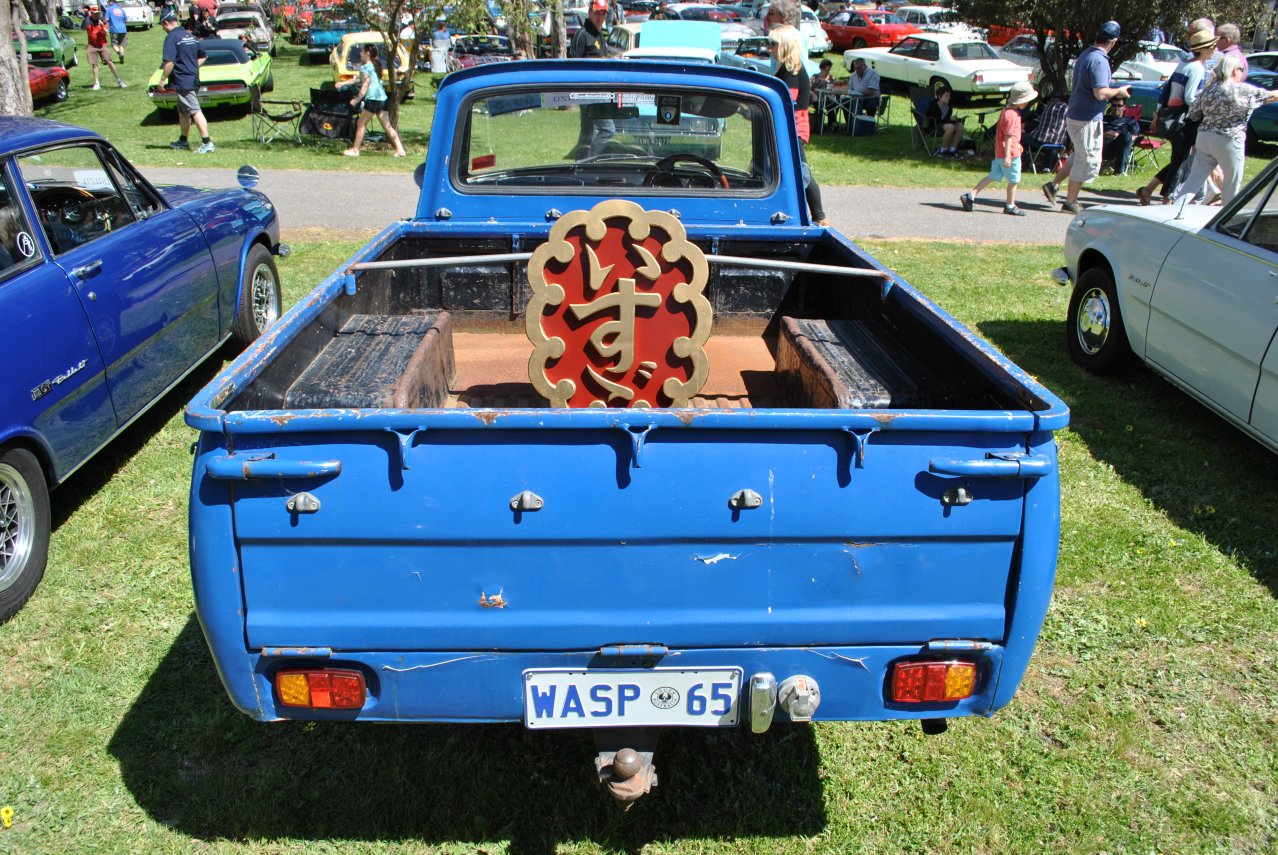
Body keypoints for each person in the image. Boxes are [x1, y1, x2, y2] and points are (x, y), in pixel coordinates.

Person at [1042, 21, 1130, 214]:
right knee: (1086, 160)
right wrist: (1119, 91)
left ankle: (1053, 185)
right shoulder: (1099, 60)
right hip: (1087, 118)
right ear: (1113, 41)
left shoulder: (1086, 54)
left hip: (1076, 114)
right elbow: (1100, 93)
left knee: (1077, 156)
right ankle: (1070, 202)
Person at [1175, 54, 1278, 205]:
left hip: (1204, 137)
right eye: (1242, 70)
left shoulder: (1208, 89)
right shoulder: (1241, 89)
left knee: (1193, 181)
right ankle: (1224, 219)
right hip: (1229, 138)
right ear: (1235, 70)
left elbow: (1194, 114)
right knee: (1231, 182)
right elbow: (1271, 96)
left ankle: (1177, 209)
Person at [1136, 28, 1215, 205]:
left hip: (1172, 120)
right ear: (1203, 49)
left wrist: (1158, 112)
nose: (1215, 49)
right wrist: (1206, 106)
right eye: (1212, 46)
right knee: (1180, 162)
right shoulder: (1197, 68)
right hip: (1184, 122)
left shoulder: (1184, 64)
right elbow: (1189, 97)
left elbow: (1166, 89)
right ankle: (1167, 200)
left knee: (1179, 159)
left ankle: (1148, 190)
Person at [771, 25, 828, 226]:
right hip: (789, 127)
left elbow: (788, 102)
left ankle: (820, 216)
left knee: (801, 171)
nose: (771, 49)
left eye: (774, 44)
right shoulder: (787, 69)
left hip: (794, 128)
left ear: (785, 45)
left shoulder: (791, 71)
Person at [960, 80, 1037, 217]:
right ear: (1021, 100)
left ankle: (970, 195)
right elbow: (1008, 136)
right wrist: (1008, 155)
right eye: (1027, 100)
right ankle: (1010, 205)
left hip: (999, 152)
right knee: (1014, 180)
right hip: (1010, 153)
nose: (1028, 103)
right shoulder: (1013, 115)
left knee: (993, 175)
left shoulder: (1005, 111)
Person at [158, 9, 213, 153]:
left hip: (183, 80)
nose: (163, 29)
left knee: (195, 110)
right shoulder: (189, 35)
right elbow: (203, 56)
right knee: (183, 111)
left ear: (166, 23)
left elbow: (169, 62)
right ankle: (183, 141)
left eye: (162, 26)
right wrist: (193, 67)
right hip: (192, 78)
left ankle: (207, 143)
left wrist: (162, 80)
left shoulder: (172, 38)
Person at [568, 0, 615, 158]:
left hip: (600, 91)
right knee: (608, 130)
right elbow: (573, 65)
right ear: (589, 12)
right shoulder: (582, 35)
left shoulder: (600, 35)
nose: (600, 16)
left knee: (587, 131)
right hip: (588, 93)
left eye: (603, 13)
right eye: (597, 12)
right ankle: (590, 161)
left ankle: (580, 164)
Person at [342, 44, 408, 157]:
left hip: (373, 100)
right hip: (382, 99)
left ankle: (355, 150)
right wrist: (343, 83)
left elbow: (365, 84)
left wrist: (356, 100)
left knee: (361, 123)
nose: (360, 54)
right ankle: (400, 149)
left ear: (367, 53)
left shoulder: (365, 68)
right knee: (387, 126)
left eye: (362, 51)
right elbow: (359, 79)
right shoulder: (374, 66)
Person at [84, 6, 126, 90]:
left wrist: (102, 27)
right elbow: (84, 28)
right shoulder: (88, 21)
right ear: (91, 14)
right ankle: (96, 83)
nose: (97, 15)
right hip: (92, 45)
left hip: (102, 45)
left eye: (98, 13)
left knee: (109, 61)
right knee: (94, 64)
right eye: (95, 14)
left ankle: (119, 80)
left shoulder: (102, 20)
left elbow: (106, 33)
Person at [1101, 95, 1140, 174]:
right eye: (1114, 105)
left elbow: (1135, 136)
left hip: (1116, 147)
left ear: (1124, 107)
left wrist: (1118, 136)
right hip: (1099, 145)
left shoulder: (1129, 121)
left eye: (1119, 106)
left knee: (1126, 135)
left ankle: (1118, 171)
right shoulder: (1102, 118)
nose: (1116, 108)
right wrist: (1104, 134)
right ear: (1110, 107)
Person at [926, 85, 965, 157]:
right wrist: (950, 119)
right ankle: (943, 150)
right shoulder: (933, 106)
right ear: (940, 97)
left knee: (960, 125)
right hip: (933, 127)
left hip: (945, 125)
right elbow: (935, 120)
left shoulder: (948, 107)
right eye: (946, 96)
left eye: (949, 96)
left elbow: (947, 120)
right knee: (951, 127)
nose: (949, 98)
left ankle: (952, 149)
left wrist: (955, 119)